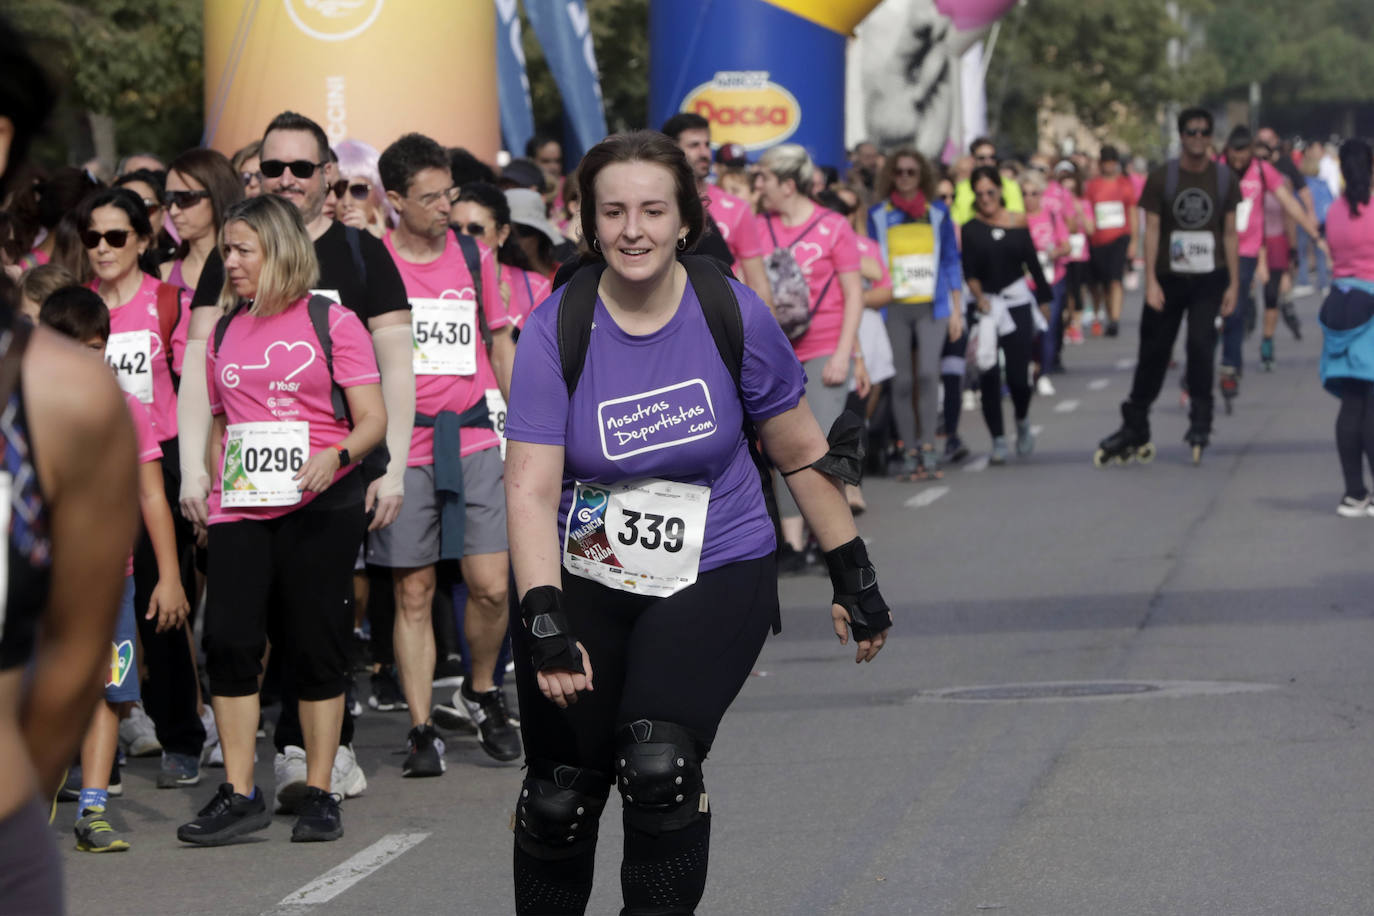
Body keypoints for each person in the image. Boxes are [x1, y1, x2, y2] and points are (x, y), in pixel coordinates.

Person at [503, 128, 891, 916]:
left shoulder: (729, 311)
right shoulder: (556, 326)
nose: (633, 230)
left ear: (686, 220)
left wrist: (855, 574)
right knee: (559, 796)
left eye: (652, 210)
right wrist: (542, 614)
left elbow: (801, 451)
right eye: (613, 212)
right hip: (587, 566)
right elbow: (532, 490)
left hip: (716, 564)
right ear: (588, 222)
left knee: (657, 762)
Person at [184, 111, 415, 808]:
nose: (286, 179)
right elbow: (200, 375)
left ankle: (318, 767)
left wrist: (392, 465)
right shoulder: (228, 301)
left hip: (328, 490)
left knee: (316, 633)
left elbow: (392, 373)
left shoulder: (362, 259)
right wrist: (197, 471)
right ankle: (245, 782)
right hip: (242, 497)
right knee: (234, 635)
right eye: (272, 168)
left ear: (327, 177)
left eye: (300, 168)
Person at [371, 132, 520, 770]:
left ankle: (481, 689)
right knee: (414, 590)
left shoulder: (470, 253)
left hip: (477, 433)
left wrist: (529, 427)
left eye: (449, 193)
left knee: (490, 586)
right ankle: (422, 725)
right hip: (407, 443)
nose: (444, 207)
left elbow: (497, 341)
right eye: (430, 198)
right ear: (395, 200)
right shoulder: (373, 261)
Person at [38, 286, 190, 852]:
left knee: (109, 692)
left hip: (112, 580)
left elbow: (152, 496)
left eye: (95, 347)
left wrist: (170, 575)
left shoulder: (126, 407)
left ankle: (94, 810)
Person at [77, 186, 207, 789]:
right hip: (91, 482)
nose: (102, 249)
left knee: (162, 605)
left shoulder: (168, 303)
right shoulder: (75, 310)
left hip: (160, 472)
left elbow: (195, 394)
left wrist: (200, 477)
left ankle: (182, 733)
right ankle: (106, 748)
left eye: (115, 237)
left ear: (143, 239)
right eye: (91, 238)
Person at [1094, 108, 1240, 467]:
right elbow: (1152, 230)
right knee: (1154, 352)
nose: (1198, 138)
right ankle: (1135, 424)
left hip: (1210, 276)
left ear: (1210, 137)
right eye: (1191, 132)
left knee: (1201, 346)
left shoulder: (1223, 179)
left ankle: (1201, 421)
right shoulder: (1163, 178)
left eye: (1204, 132)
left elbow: (1231, 234)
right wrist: (1150, 283)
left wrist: (1235, 283)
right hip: (1169, 278)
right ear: (1181, 135)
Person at [756, 143, 868, 568]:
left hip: (824, 347)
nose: (758, 185)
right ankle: (793, 544)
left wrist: (845, 352)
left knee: (819, 446)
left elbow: (854, 292)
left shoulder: (833, 226)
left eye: (764, 177)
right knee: (779, 447)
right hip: (776, 352)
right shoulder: (757, 226)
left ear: (788, 183)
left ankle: (830, 542)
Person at [866, 147, 963, 478]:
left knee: (928, 374)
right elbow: (870, 256)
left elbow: (951, 259)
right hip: (893, 307)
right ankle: (908, 449)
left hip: (931, 306)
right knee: (903, 380)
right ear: (890, 175)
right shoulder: (879, 214)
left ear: (922, 176)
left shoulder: (937, 213)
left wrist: (957, 310)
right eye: (899, 172)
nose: (905, 178)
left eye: (911, 172)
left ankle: (928, 447)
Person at [1218, 126, 1323, 397]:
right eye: (1234, 156)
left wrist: (1314, 234)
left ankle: (1231, 363)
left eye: (1243, 156)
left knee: (1237, 305)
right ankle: (1205, 362)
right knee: (1213, 308)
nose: (1238, 162)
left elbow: (1290, 203)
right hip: (1216, 248)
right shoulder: (1216, 168)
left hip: (1247, 250)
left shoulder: (1262, 171)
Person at [961, 166, 1052, 464]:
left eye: (991, 191)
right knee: (988, 372)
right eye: (980, 193)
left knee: (1017, 375)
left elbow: (1033, 265)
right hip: (987, 304)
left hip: (1017, 302)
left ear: (1000, 191)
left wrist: (1044, 299)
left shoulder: (1018, 220)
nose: (986, 198)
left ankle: (1022, 420)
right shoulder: (971, 228)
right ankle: (998, 439)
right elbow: (970, 271)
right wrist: (978, 298)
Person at [661, 112, 774, 310]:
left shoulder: (737, 208)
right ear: (672, 150)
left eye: (707, 144)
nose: (705, 152)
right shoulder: (655, 206)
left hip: (721, 322)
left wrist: (769, 337)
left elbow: (758, 283)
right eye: (694, 145)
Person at [1318, 139, 1374, 516]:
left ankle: (1354, 493)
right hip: (1370, 307)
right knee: (1372, 406)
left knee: (1351, 405)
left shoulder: (1335, 212)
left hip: (1339, 306)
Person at [452, 181, 552, 331]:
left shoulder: (534, 288)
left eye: (475, 229)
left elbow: (539, 353)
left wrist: (501, 325)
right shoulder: (434, 280)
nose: (464, 237)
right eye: (455, 228)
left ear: (503, 233)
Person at [160, 148, 243, 293]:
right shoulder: (162, 276)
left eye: (185, 198)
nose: (173, 211)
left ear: (217, 195)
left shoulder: (247, 272)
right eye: (169, 199)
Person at [1020, 168, 1070, 394]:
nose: (1029, 198)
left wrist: (1053, 253)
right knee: (1026, 330)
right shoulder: (1016, 219)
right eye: (1024, 193)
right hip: (1024, 283)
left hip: (1052, 280)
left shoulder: (1051, 215)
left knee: (1047, 329)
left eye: (1034, 193)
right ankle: (1029, 367)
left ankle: (1044, 373)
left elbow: (1066, 245)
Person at [1083, 145, 1138, 338]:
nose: (1109, 166)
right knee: (1102, 284)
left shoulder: (1125, 184)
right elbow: (1087, 211)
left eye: (1112, 163)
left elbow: (1132, 212)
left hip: (1119, 237)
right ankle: (1106, 313)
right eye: (1105, 163)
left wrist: (1134, 241)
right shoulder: (1093, 186)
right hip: (1097, 241)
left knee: (1115, 280)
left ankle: (1114, 320)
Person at [1055, 162, 1093, 347]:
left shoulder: (1083, 203)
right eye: (1065, 189)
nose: (1068, 193)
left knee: (1077, 292)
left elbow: (1091, 229)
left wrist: (1079, 212)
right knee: (1064, 293)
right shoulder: (1056, 206)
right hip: (1063, 256)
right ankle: (1065, 324)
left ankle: (1075, 326)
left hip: (1080, 254)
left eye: (1072, 189)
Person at [951, 138, 1025, 225]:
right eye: (982, 158)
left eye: (992, 157)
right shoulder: (961, 188)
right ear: (972, 160)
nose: (988, 161)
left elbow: (1017, 218)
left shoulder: (1011, 185)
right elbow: (957, 222)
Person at [333, 139, 393, 239]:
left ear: (380, 194)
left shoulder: (398, 246)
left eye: (359, 190)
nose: (347, 203)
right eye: (339, 190)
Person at [1297, 143, 1334, 297]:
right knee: (1321, 253)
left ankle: (1304, 281)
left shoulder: (1302, 185)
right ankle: (1324, 282)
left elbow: (1297, 203)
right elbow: (1331, 202)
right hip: (1322, 221)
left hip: (1305, 221)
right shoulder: (1323, 183)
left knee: (1303, 252)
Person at [507, 187, 566, 283]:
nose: (516, 238)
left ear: (539, 234)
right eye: (509, 233)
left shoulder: (564, 276)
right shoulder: (497, 279)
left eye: (523, 229)